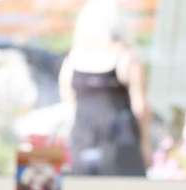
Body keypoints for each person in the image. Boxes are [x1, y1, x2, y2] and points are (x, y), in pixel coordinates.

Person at [59, 0, 151, 178]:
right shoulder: (126, 57)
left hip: (83, 141)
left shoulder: (72, 58)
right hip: (120, 143)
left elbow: (68, 102)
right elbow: (140, 108)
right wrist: (145, 144)